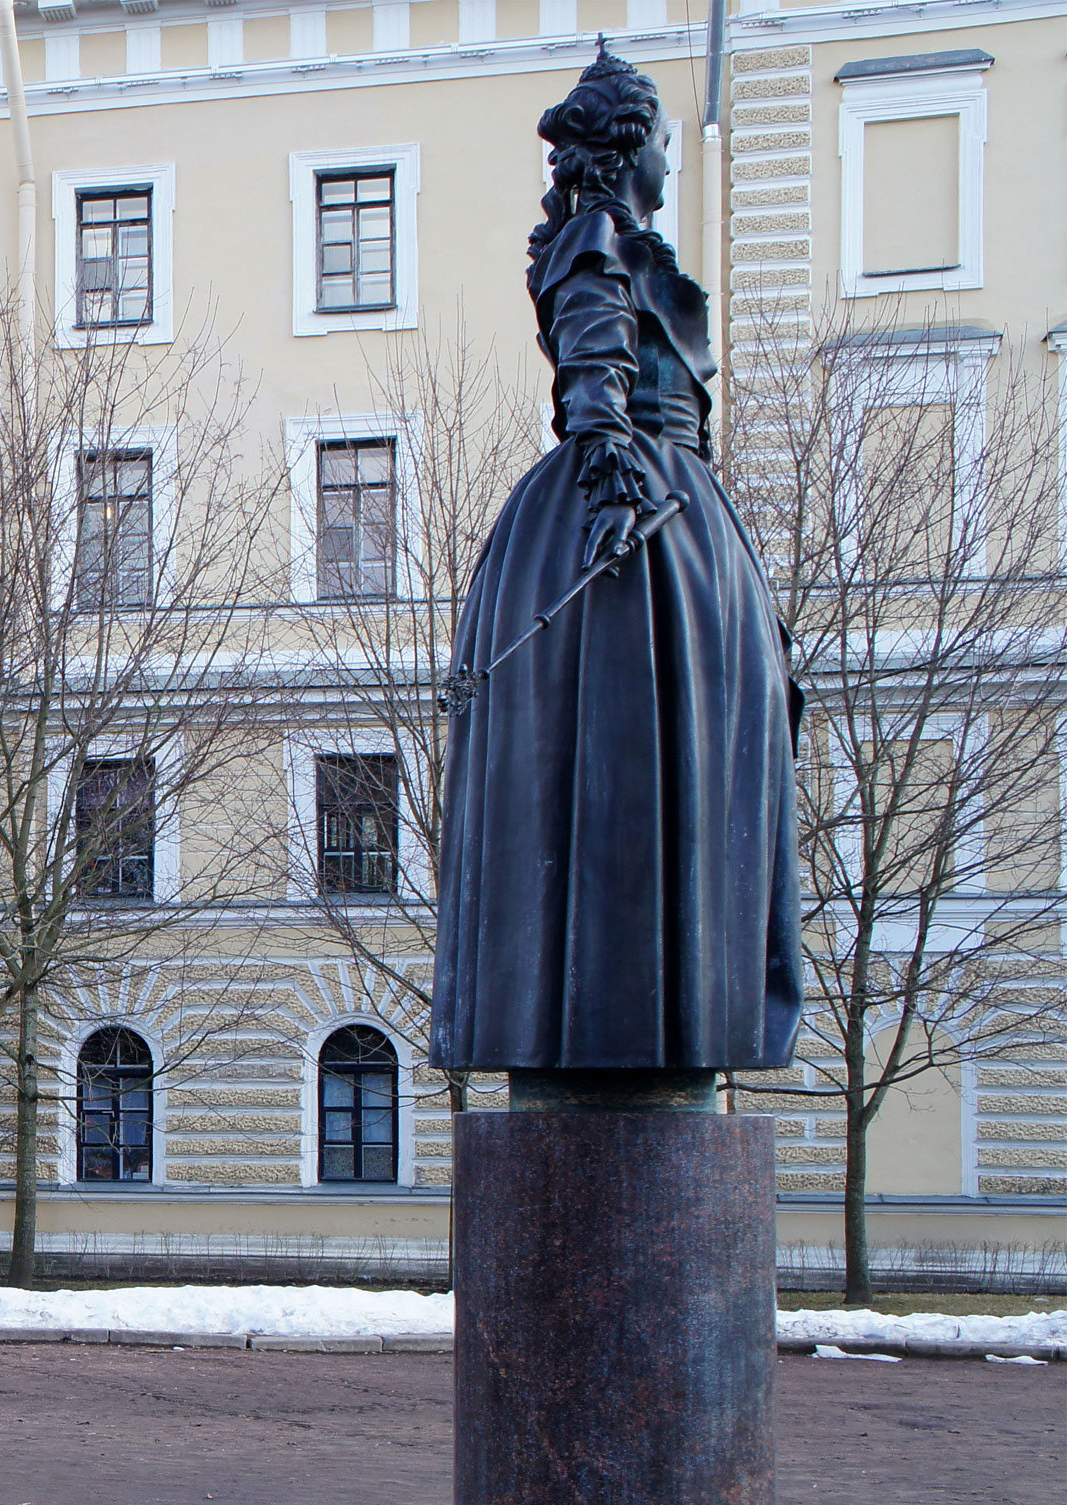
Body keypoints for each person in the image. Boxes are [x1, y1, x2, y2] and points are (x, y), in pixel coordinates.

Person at [429, 40, 800, 1084]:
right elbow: (593, 373)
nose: (672, 165)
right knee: (636, 758)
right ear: (630, 147)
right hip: (636, 517)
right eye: (665, 146)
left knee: (693, 759)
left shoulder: (623, 240)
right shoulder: (596, 240)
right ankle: (631, 1005)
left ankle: (678, 1005)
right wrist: (614, 480)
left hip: (686, 529)